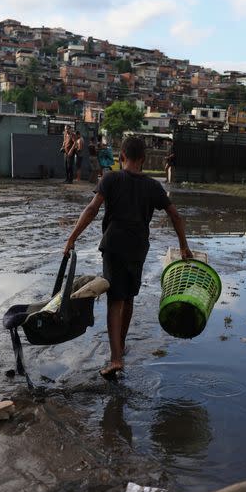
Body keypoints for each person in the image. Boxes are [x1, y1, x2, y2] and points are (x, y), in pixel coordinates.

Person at [64, 136, 193, 378]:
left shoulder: (111, 178)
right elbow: (175, 215)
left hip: (114, 245)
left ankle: (115, 359)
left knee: (115, 300)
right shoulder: (153, 186)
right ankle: (120, 347)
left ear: (121, 156)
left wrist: (72, 238)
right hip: (138, 248)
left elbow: (92, 209)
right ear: (143, 160)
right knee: (129, 298)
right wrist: (183, 246)